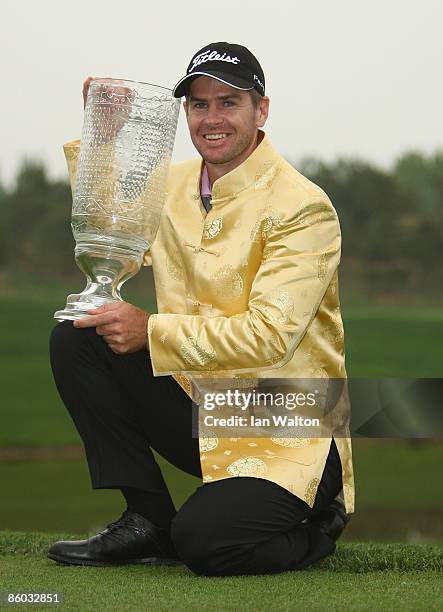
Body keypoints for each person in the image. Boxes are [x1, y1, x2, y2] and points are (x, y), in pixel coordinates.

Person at [48, 42, 354, 576]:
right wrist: (106, 133)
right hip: (202, 405)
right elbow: (108, 229)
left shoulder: (304, 205)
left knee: (206, 543)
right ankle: (146, 518)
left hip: (290, 421)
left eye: (228, 103)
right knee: (78, 335)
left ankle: (316, 525)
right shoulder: (172, 186)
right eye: (198, 105)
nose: (211, 118)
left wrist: (152, 331)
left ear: (261, 110)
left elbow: (269, 335)